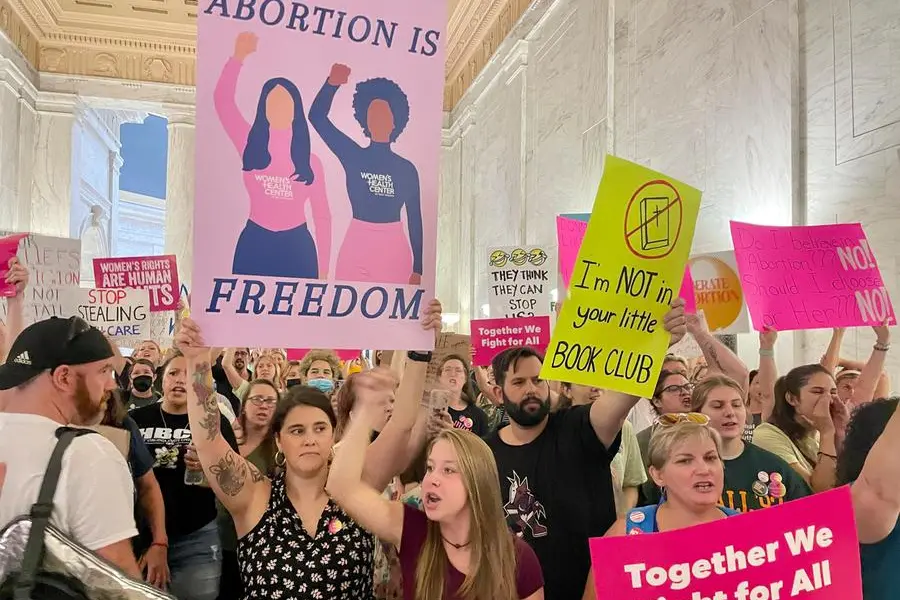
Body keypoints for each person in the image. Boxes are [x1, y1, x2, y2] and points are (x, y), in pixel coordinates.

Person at [175, 300, 443, 599]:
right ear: (278, 440)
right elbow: (209, 440)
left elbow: (401, 425)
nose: (309, 439)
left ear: (332, 435)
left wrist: (419, 352)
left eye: (320, 428)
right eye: (296, 430)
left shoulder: (357, 487)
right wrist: (197, 361)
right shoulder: (254, 495)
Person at [486, 300, 686, 600]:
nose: (531, 388)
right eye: (519, 382)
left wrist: (658, 343)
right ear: (498, 393)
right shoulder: (484, 452)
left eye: (538, 380)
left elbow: (624, 394)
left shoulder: (580, 427)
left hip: (594, 590)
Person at [327, 368, 544, 600]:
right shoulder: (411, 529)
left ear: (477, 480)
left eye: (448, 470)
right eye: (430, 468)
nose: (432, 479)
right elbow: (342, 487)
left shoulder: (518, 558)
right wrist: (365, 411)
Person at [0, 316, 140, 577]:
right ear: (64, 377)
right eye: (104, 371)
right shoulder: (87, 455)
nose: (111, 385)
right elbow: (116, 583)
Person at [215, 31, 331, 279]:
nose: (278, 108)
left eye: (285, 103)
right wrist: (237, 58)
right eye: (272, 102)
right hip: (255, 243)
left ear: (295, 110)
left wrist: (324, 271)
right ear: (263, 109)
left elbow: (322, 217)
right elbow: (223, 102)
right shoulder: (249, 142)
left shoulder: (311, 162)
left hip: (298, 247)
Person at [582, 415, 738, 599]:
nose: (704, 469)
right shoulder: (625, 533)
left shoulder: (748, 530)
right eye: (685, 460)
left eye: (711, 457)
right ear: (657, 475)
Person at [130, 352, 239, 600]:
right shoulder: (136, 420)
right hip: (142, 536)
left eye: (188, 375)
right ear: (161, 379)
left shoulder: (214, 422)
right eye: (173, 373)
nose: (180, 380)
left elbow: (234, 481)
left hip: (197, 537)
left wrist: (209, 468)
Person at [309, 62, 423, 285]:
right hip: (356, 245)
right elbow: (317, 118)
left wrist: (418, 268)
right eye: (373, 114)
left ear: (395, 122)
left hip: (394, 250)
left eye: (384, 114)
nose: (378, 119)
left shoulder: (407, 169)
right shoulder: (353, 155)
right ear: (365, 121)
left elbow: (415, 220)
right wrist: (331, 84)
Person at [691, 374, 810, 512]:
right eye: (718, 406)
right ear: (696, 415)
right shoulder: (681, 467)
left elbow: (808, 515)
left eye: (736, 405)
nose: (730, 413)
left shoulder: (775, 466)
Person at [216, 379, 279, 600]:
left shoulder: (279, 449)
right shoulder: (225, 439)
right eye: (257, 400)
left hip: (258, 544)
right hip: (218, 538)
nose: (264, 406)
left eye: (271, 401)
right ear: (243, 405)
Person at [752, 364, 848, 492]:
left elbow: (848, 480)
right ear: (792, 399)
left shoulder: (818, 434)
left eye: (833, 392)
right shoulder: (766, 435)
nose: (828, 399)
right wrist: (827, 433)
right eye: (818, 392)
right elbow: (821, 492)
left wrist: (840, 432)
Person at [438, 354, 488, 436]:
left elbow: (481, 448)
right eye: (447, 370)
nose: (453, 374)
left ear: (465, 378)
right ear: (439, 377)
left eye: (458, 370)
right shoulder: (431, 410)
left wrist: (453, 432)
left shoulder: (479, 416)